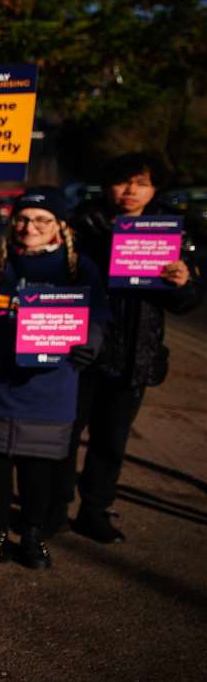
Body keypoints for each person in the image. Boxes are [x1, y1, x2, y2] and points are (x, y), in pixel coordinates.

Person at [0, 188, 108, 570]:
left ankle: (32, 536)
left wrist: (88, 347)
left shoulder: (80, 269)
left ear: (59, 228)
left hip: (47, 388)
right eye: (24, 219)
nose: (31, 227)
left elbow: (97, 319)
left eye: (42, 220)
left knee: (38, 469)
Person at [56, 153, 203, 542]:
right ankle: (52, 507)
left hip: (135, 356)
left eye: (141, 183)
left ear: (155, 189)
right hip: (81, 351)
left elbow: (187, 303)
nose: (131, 191)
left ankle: (95, 509)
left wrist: (183, 282)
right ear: (108, 186)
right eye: (123, 182)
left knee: (111, 440)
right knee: (63, 434)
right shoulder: (82, 226)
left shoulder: (173, 233)